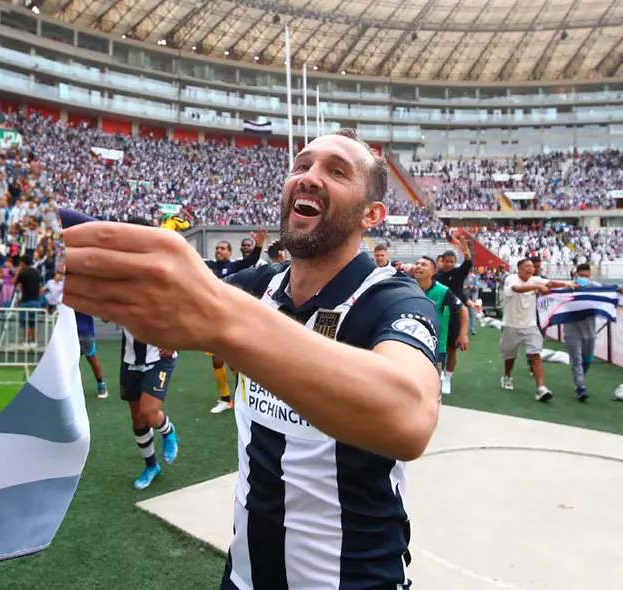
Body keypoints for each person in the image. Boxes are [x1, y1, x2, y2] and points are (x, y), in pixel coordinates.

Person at [62, 129, 443, 589]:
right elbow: (171, 284)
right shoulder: (257, 286)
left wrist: (225, 319)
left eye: (336, 171)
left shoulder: (392, 300)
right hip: (244, 576)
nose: (309, 177)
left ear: (372, 214)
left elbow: (409, 416)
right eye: (301, 166)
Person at [118, 216, 180, 490]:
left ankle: (168, 430)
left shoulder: (162, 268)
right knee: (137, 417)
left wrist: (174, 339)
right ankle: (151, 466)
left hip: (160, 356)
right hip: (130, 357)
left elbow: (182, 306)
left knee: (149, 412)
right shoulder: (117, 271)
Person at [203, 231, 266, 414]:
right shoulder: (209, 266)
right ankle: (225, 399)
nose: (218, 251)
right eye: (217, 248)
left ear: (230, 252)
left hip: (232, 318)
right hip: (214, 318)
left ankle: (244, 392)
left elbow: (250, 260)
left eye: (222, 248)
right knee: (216, 359)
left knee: (233, 361)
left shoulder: (235, 266)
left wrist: (259, 245)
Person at [500, 258, 576, 401]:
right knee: (509, 356)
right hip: (511, 325)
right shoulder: (511, 279)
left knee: (535, 354)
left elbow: (551, 283)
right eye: (527, 266)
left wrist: (567, 284)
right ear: (519, 268)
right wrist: (537, 288)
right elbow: (517, 289)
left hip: (530, 325)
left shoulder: (535, 279)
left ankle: (541, 388)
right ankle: (507, 376)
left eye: (532, 267)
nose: (530, 269)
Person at [556, 263, 623, 402]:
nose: (583, 278)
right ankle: (581, 388)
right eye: (581, 276)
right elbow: (554, 294)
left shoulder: (595, 287)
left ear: (590, 276)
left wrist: (618, 290)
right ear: (575, 275)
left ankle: (580, 378)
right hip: (571, 330)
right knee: (577, 360)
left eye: (586, 276)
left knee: (587, 360)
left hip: (589, 330)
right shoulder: (568, 287)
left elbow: (609, 290)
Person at [412, 256, 469, 386]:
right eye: (417, 263)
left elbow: (463, 310)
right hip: (413, 341)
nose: (418, 266)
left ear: (433, 272)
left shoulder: (443, 291)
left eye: (424, 264)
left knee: (434, 382)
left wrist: (463, 334)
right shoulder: (408, 286)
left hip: (437, 346)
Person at [433, 239, 475, 397]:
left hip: (455, 316)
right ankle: (437, 374)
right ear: (441, 261)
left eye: (452, 261)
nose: (449, 264)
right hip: (438, 315)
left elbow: (468, 264)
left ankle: (448, 379)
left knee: (451, 350)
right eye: (447, 261)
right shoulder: (435, 276)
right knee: (437, 348)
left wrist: (466, 251)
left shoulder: (458, 274)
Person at [76, 311, 109, 398]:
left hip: (86, 333)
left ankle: (101, 385)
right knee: (72, 361)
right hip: (71, 333)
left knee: (91, 358)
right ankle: (75, 387)